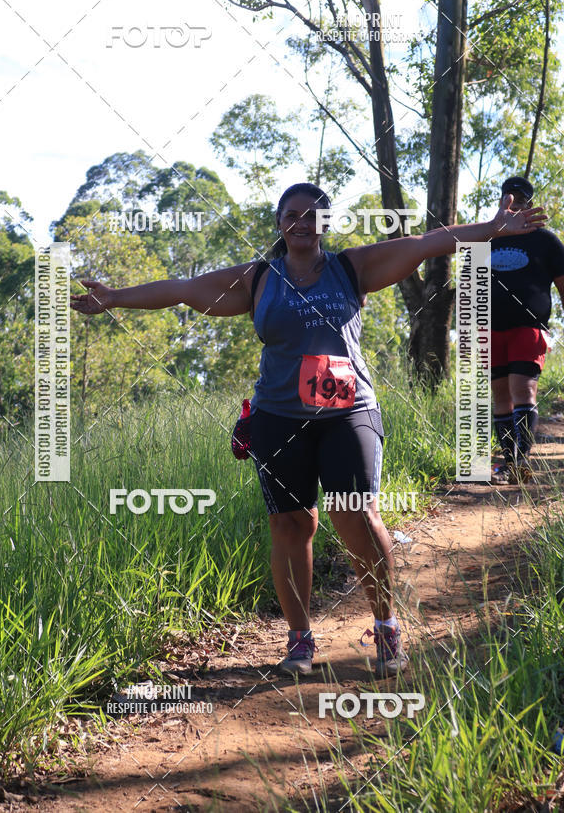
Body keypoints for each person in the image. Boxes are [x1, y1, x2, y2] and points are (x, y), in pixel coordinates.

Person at [71, 183, 545, 677]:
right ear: (279, 222)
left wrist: (491, 229)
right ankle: (299, 641)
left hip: (348, 413)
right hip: (278, 417)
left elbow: (427, 242)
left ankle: (385, 626)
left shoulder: (351, 268)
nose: (302, 222)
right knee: (290, 525)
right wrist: (115, 299)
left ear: (326, 223)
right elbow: (180, 290)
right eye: (292, 214)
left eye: (313, 215)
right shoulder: (257, 279)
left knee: (353, 515)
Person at [491, 176, 564, 484]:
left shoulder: (545, 241)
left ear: (529, 205)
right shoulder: (487, 238)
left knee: (523, 389)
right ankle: (509, 462)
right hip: (490, 330)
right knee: (500, 395)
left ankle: (521, 461)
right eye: (509, 197)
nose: (514, 203)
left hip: (529, 328)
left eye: (521, 199)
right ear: (501, 201)